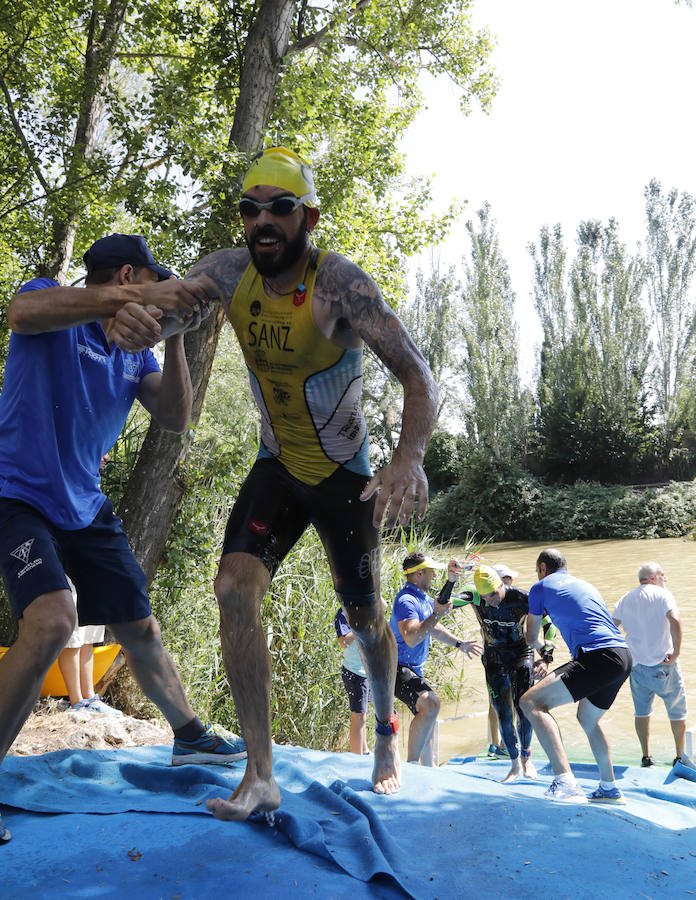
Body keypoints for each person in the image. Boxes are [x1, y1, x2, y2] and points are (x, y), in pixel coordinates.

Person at [173, 147, 438, 821]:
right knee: (233, 589)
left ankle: (385, 735)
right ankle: (261, 775)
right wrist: (131, 314)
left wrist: (406, 459)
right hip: (276, 464)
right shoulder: (227, 273)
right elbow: (165, 302)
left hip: (346, 476)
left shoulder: (339, 286)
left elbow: (417, 374)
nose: (263, 220)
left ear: (308, 216)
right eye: (250, 207)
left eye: (280, 207)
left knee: (367, 618)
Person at [0, 234, 245, 846]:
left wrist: (176, 338)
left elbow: (176, 417)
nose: (157, 307)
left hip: (85, 504)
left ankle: (189, 738)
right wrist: (126, 302)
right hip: (17, 494)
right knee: (54, 621)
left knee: (140, 627)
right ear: (130, 276)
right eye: (153, 292)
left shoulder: (139, 351)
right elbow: (20, 313)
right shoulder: (48, 305)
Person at [520, 549, 632, 804]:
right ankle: (609, 788)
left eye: (538, 570)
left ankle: (566, 782)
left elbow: (531, 636)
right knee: (588, 719)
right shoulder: (585, 584)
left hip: (596, 656)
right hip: (623, 655)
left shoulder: (540, 587)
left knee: (530, 702)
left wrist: (543, 650)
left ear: (543, 568)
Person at [391, 552, 482, 767]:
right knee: (430, 704)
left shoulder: (422, 598)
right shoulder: (406, 600)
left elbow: (433, 628)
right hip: (395, 667)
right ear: (419, 573)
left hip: (412, 668)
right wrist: (436, 614)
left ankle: (428, 768)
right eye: (431, 571)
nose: (434, 575)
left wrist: (460, 644)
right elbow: (412, 637)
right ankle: (412, 766)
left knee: (428, 715)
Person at [466, 565, 555, 782]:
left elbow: (549, 624)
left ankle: (526, 758)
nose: (492, 600)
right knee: (503, 712)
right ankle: (514, 764)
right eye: (486, 597)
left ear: (502, 585)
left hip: (521, 653)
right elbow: (442, 603)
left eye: (495, 594)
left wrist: (546, 656)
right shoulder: (473, 596)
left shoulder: (521, 597)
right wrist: (450, 580)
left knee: (523, 707)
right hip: (494, 656)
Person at [613, 562, 688, 767]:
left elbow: (611, 627)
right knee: (677, 711)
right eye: (663, 576)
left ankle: (646, 757)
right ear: (653, 578)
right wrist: (677, 652)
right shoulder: (663, 594)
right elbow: (675, 620)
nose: (665, 580)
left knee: (641, 712)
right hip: (664, 665)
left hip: (636, 666)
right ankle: (680, 757)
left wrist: (623, 655)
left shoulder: (626, 598)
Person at [58, 584, 122, 717]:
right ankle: (77, 702)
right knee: (72, 636)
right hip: (67, 572)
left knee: (88, 634)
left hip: (91, 573)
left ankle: (90, 698)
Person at [486, 562, 520, 758]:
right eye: (506, 581)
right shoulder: (489, 602)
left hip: (508, 656)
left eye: (510, 581)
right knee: (497, 701)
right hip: (496, 657)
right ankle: (498, 744)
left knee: (506, 701)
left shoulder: (510, 601)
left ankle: (501, 742)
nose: (510, 586)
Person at [335, 607, 372, 754]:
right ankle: (357, 757)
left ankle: (365, 750)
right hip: (354, 672)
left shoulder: (365, 606)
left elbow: (383, 605)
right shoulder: (344, 612)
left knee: (363, 715)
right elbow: (343, 642)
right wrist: (360, 627)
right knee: (358, 716)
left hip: (366, 672)